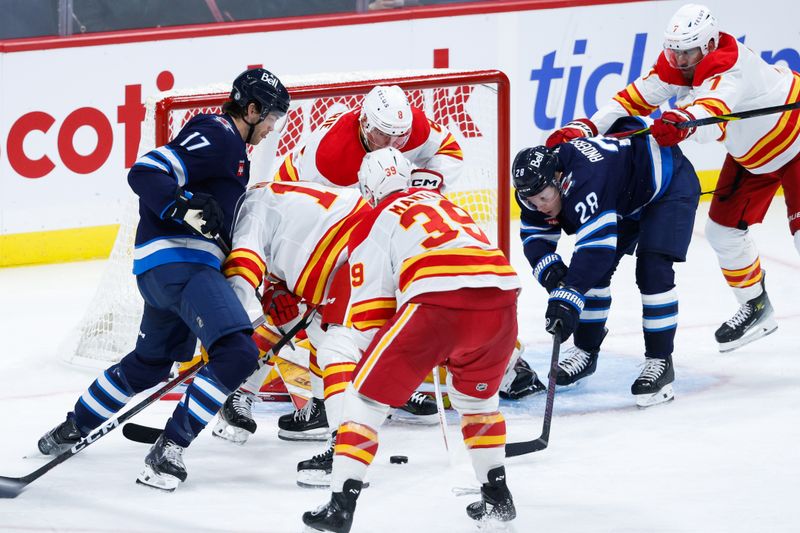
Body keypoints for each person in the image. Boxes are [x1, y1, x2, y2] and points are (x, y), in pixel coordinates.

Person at [36, 68, 290, 492]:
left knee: (149, 365)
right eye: (270, 118)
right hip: (183, 267)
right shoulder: (220, 133)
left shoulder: (232, 147)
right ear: (251, 109)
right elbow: (146, 171)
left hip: (166, 275)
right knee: (239, 353)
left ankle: (71, 428)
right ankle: (169, 448)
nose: (271, 128)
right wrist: (183, 204)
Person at [274, 85, 542, 437]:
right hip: (304, 213)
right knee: (330, 315)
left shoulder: (404, 129)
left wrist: (420, 191)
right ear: (365, 124)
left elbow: (448, 149)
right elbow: (301, 215)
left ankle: (387, 385)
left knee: (384, 304)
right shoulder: (330, 160)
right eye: (383, 135)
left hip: (376, 222)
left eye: (399, 138)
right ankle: (328, 404)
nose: (392, 144)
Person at [546, 3, 800, 352]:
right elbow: (636, 97)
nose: (680, 61)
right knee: (722, 233)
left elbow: (711, 115)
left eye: (688, 53)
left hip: (795, 143)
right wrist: (589, 125)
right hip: (753, 156)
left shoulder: (730, 66)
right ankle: (756, 305)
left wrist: (681, 122)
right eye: (675, 52)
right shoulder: (681, 62)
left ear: (709, 45)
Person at [302, 148, 521, 532]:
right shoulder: (445, 203)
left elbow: (371, 316)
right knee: (479, 403)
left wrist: (394, 367)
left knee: (363, 397)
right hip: (503, 302)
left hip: (437, 304)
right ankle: (498, 499)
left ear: (369, 190)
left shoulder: (374, 219)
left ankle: (340, 507)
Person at [518, 116, 700, 408]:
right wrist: (553, 276)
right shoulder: (535, 188)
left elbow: (595, 251)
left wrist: (567, 297)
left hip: (668, 185)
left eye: (543, 198)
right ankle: (586, 351)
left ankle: (660, 361)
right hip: (624, 193)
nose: (539, 207)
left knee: (652, 271)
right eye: (531, 202)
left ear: (559, 180)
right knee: (590, 276)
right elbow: (534, 238)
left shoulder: (585, 181)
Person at [213, 180, 371, 445]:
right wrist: (276, 285)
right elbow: (288, 237)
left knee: (327, 337)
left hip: (343, 249)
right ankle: (319, 406)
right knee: (293, 317)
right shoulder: (273, 193)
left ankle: (334, 422)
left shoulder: (248, 213)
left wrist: (225, 335)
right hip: (354, 229)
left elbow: (244, 269)